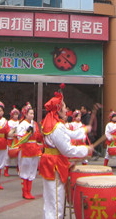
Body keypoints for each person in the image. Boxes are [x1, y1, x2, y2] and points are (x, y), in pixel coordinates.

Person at [40, 88, 94, 219]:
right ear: (58, 110)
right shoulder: (56, 127)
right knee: (56, 199)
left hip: (50, 163)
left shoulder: (52, 123)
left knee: (51, 198)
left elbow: (69, 133)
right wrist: (85, 150)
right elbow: (67, 150)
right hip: (55, 165)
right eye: (64, 107)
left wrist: (84, 130)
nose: (66, 110)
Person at [16, 103, 41, 199]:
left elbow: (37, 136)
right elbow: (19, 137)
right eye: (30, 113)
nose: (32, 115)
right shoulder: (22, 124)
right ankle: (25, 192)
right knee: (25, 169)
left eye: (33, 113)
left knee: (32, 169)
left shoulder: (34, 124)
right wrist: (27, 133)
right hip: (26, 149)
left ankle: (29, 191)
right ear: (25, 114)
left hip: (34, 149)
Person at [5, 106, 20, 177]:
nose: (16, 116)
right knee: (7, 157)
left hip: (16, 141)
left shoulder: (19, 122)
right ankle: (6, 170)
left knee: (18, 156)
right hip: (9, 140)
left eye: (17, 114)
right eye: (14, 114)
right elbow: (7, 131)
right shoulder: (8, 122)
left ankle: (19, 170)